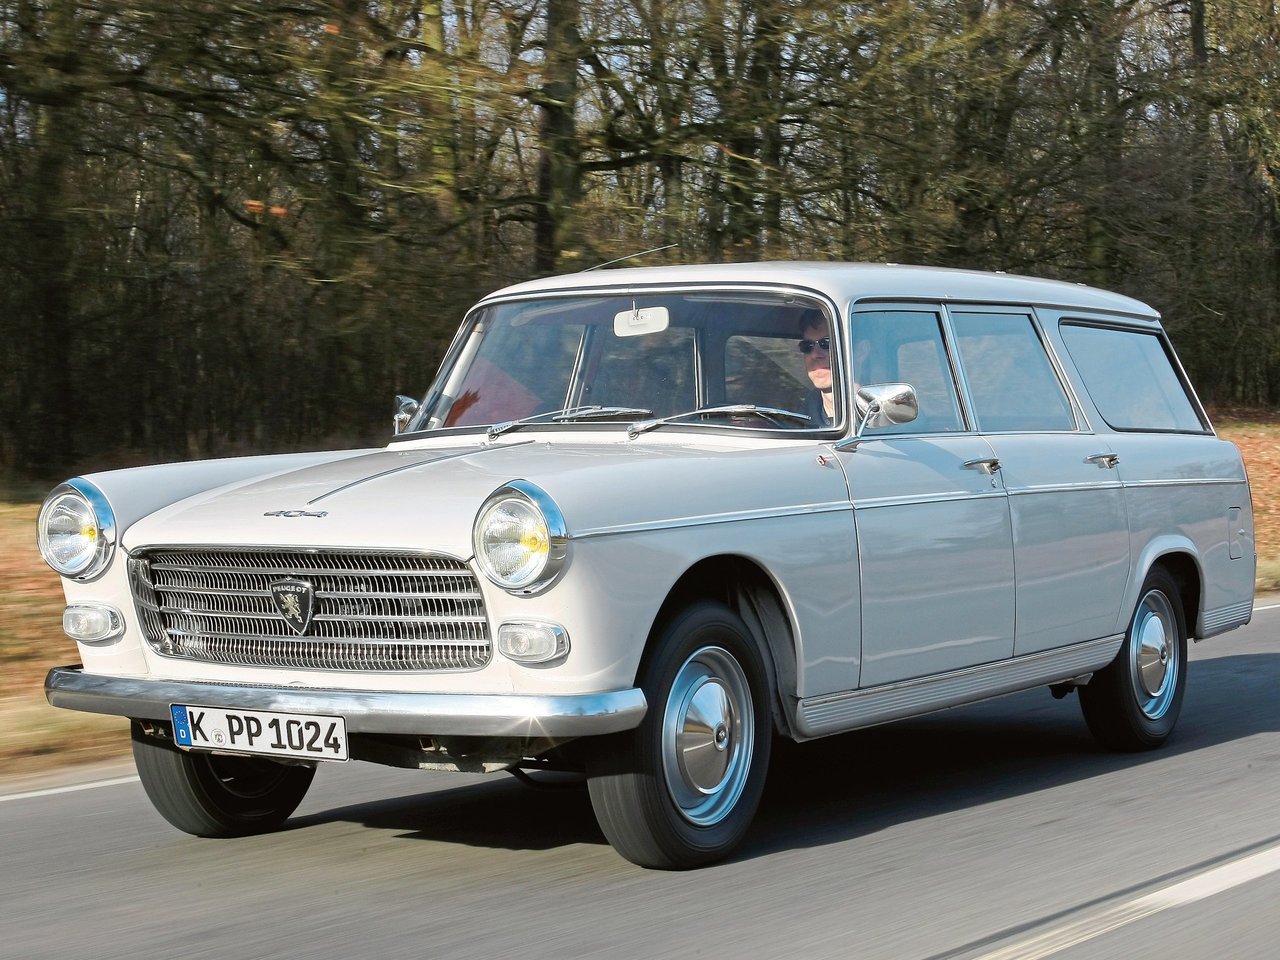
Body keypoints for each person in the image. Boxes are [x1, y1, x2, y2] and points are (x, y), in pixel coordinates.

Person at [799, 316, 837, 426]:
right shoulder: (797, 424)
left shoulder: (882, 419)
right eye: (807, 346)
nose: (815, 354)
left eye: (826, 343)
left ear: (860, 352)